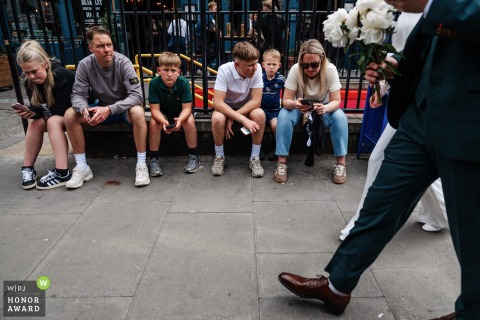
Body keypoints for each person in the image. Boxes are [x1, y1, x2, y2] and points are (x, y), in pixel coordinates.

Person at [278, 1, 480, 319]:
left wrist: (428, 4)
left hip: (468, 121)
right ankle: (337, 286)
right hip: (418, 116)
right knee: (380, 203)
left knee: (472, 231)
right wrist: (394, 68)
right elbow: (430, 47)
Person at [339, 12, 448, 241]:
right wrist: (382, 85)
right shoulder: (405, 14)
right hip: (408, 106)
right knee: (421, 164)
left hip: (423, 108)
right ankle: (439, 217)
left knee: (380, 158)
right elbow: (398, 56)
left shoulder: (436, 12)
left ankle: (361, 223)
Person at [65, 25, 150, 188]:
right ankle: (82, 167)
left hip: (123, 110)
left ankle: (141, 165)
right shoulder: (85, 65)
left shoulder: (124, 62)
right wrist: (83, 109)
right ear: (91, 48)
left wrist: (110, 109)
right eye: (100, 46)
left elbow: (138, 96)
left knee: (139, 112)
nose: (107, 50)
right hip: (99, 109)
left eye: (109, 45)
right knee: (70, 115)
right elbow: (77, 94)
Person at [275, 39, 348, 184]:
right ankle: (281, 163)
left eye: (314, 64)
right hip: (300, 108)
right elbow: (286, 100)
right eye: (305, 65)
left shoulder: (330, 70)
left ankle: (341, 164)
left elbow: (336, 101)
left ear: (322, 59)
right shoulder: (296, 70)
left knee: (340, 117)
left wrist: (325, 108)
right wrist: (296, 104)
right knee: (283, 114)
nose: (309, 69)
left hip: (322, 108)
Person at [15, 40, 74, 190]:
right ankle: (27, 168)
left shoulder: (61, 75)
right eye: (26, 72)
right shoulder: (29, 81)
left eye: (34, 71)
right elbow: (38, 107)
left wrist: (36, 111)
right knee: (34, 123)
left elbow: (60, 110)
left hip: (74, 112)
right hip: (57, 113)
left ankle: (62, 172)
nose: (31, 76)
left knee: (53, 121)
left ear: (45, 64)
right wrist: (30, 112)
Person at [211, 41, 265, 177]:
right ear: (237, 65)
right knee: (217, 118)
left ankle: (255, 157)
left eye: (255, 64)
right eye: (250, 65)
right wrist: (240, 118)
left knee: (259, 115)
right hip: (226, 107)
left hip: (246, 107)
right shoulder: (225, 70)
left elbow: (256, 101)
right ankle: (219, 156)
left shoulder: (257, 68)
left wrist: (233, 116)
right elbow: (217, 102)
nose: (255, 68)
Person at [147, 52, 199, 175]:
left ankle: (193, 156)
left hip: (180, 112)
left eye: (173, 70)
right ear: (159, 70)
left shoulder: (183, 83)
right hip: (163, 113)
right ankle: (153, 159)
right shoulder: (154, 83)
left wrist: (180, 120)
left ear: (179, 72)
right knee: (154, 123)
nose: (169, 74)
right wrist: (164, 122)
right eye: (165, 70)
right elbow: (154, 110)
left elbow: (187, 108)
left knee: (189, 121)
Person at [260, 48, 285, 161]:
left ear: (279, 65)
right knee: (258, 126)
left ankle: (277, 149)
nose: (271, 67)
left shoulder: (281, 79)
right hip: (261, 110)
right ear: (263, 65)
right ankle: (258, 148)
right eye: (268, 64)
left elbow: (287, 93)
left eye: (274, 64)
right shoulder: (259, 78)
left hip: (274, 111)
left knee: (276, 126)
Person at [194, 1, 220, 71]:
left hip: (200, 43)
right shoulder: (209, 16)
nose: (217, 11)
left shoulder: (206, 16)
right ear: (210, 9)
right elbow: (216, 30)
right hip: (201, 45)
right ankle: (203, 69)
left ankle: (201, 69)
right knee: (215, 52)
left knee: (214, 51)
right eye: (215, 9)